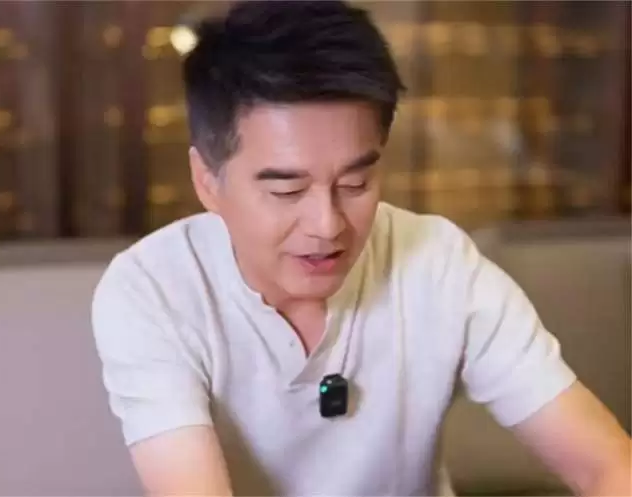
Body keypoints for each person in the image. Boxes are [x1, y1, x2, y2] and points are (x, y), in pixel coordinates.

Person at [91, 2, 631, 495]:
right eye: (287, 191)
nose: (327, 225)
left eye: (355, 183)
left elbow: (606, 467)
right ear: (207, 181)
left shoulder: (438, 262)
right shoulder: (154, 290)